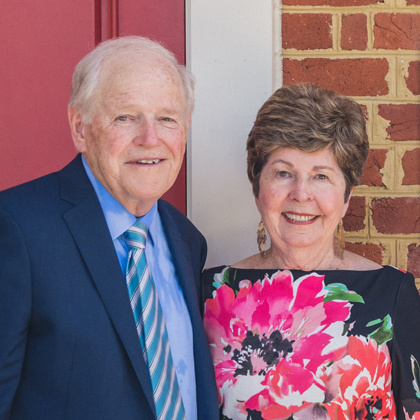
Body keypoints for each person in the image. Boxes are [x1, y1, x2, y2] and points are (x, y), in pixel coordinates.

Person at [0, 36, 218, 420]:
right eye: (125, 117)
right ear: (80, 127)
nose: (150, 139)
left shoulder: (187, 240)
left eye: (167, 118)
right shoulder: (17, 228)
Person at [202, 83, 420, 420]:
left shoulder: (391, 294)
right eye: (284, 173)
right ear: (258, 188)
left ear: (346, 198)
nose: (301, 194)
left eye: (320, 176)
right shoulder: (211, 294)